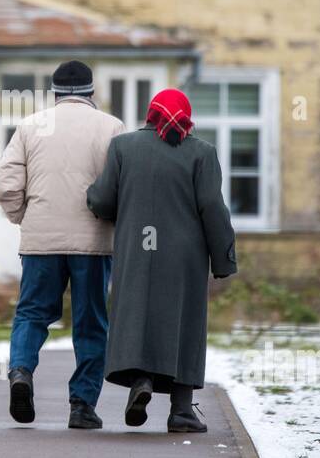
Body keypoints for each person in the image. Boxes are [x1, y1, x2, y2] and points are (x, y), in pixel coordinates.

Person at [86, 87, 237, 433]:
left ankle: (141, 380)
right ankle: (181, 411)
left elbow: (104, 200)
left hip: (137, 249)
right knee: (183, 322)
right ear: (187, 117)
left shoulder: (123, 147)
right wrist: (224, 258)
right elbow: (213, 208)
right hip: (185, 257)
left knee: (137, 313)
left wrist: (91, 197)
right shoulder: (202, 153)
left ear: (150, 115)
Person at [0, 60, 124, 429]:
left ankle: (20, 371)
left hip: (40, 241)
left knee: (32, 313)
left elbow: (5, 183)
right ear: (91, 93)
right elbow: (120, 186)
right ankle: (82, 405)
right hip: (94, 242)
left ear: (55, 94)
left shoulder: (31, 126)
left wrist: (23, 217)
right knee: (91, 323)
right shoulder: (112, 127)